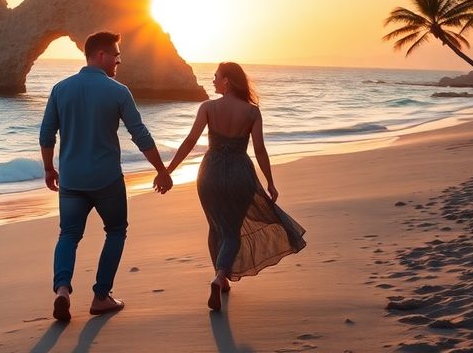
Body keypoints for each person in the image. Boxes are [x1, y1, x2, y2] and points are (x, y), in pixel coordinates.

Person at [39, 31, 174, 322]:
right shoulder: (118, 91)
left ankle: (62, 291)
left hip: (71, 181)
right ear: (100, 55)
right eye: (115, 55)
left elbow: (46, 133)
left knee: (69, 234)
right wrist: (161, 170)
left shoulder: (60, 89)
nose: (118, 61)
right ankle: (101, 297)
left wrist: (49, 168)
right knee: (115, 231)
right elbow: (140, 134)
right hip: (106, 180)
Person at [165, 62, 306, 312]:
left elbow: (189, 141)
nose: (213, 81)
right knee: (231, 231)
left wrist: (168, 171)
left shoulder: (208, 107)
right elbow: (260, 149)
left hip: (210, 173)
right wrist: (270, 181)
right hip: (240, 173)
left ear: (227, 80)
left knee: (215, 226)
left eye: (216, 77)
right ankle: (220, 277)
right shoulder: (252, 112)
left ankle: (220, 277)